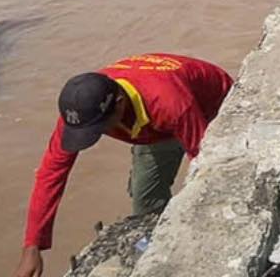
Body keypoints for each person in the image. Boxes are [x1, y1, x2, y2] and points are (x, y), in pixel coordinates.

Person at [12, 53, 233, 277]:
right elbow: (51, 173)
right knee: (145, 198)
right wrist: (32, 245)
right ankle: (157, 251)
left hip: (209, 107)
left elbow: (205, 164)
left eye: (98, 130)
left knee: (215, 194)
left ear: (119, 105)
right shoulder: (81, 111)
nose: (94, 136)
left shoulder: (171, 104)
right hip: (152, 127)